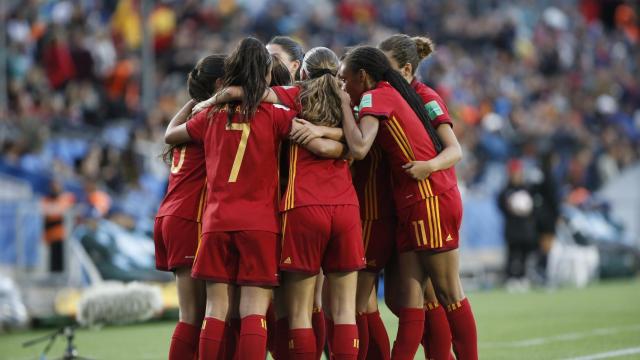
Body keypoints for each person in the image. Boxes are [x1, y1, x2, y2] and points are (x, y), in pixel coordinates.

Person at [164, 37, 343, 360]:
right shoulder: (275, 115)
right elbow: (317, 142)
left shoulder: (209, 117)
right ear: (265, 74)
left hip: (215, 223)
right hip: (260, 224)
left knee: (215, 310)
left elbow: (171, 135)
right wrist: (339, 139)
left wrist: (201, 103)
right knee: (253, 312)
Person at [338, 45, 478, 360]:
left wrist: (344, 105)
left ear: (363, 76)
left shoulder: (377, 96)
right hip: (412, 200)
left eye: (345, 80)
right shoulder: (391, 93)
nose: (343, 86)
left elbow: (359, 148)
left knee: (447, 293)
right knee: (410, 299)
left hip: (428, 197)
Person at [379, 34, 459, 360]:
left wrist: (429, 166)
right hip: (400, 202)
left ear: (408, 69)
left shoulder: (425, 97)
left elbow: (455, 149)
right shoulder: (389, 95)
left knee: (437, 293)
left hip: (429, 197)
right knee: (402, 298)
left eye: (387, 68)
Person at [154, 54, 225, 360]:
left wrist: (197, 99)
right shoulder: (210, 118)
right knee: (195, 317)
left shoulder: (191, 118)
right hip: (190, 217)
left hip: (171, 214)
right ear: (221, 84)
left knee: (191, 314)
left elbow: (169, 133)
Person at [498, 158, 538, 288]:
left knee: (525, 255)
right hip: (512, 229)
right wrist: (509, 206)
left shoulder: (527, 189)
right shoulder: (505, 191)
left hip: (526, 229)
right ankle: (511, 278)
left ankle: (523, 277)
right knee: (513, 255)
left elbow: (533, 207)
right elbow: (501, 205)